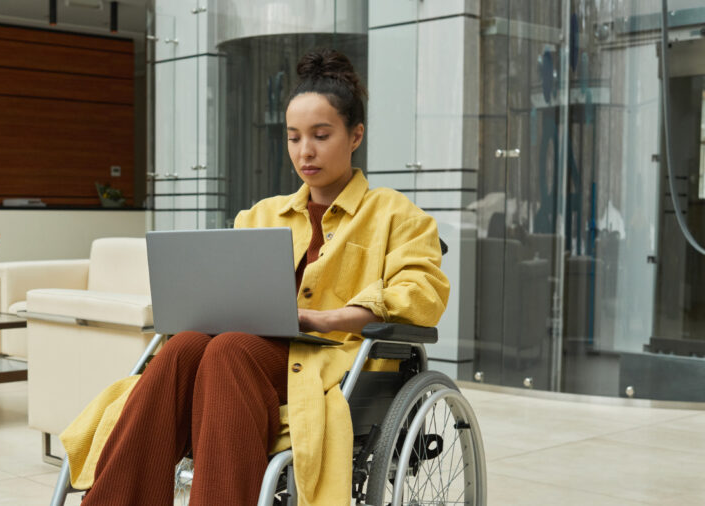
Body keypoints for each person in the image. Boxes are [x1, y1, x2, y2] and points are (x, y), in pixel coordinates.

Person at [59, 49, 451, 506]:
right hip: (249, 357)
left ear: (355, 134)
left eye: (321, 135)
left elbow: (421, 294)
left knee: (229, 349)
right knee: (186, 344)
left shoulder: (398, 215)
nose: (305, 151)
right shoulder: (261, 215)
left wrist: (331, 318)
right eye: (294, 137)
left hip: (340, 367)